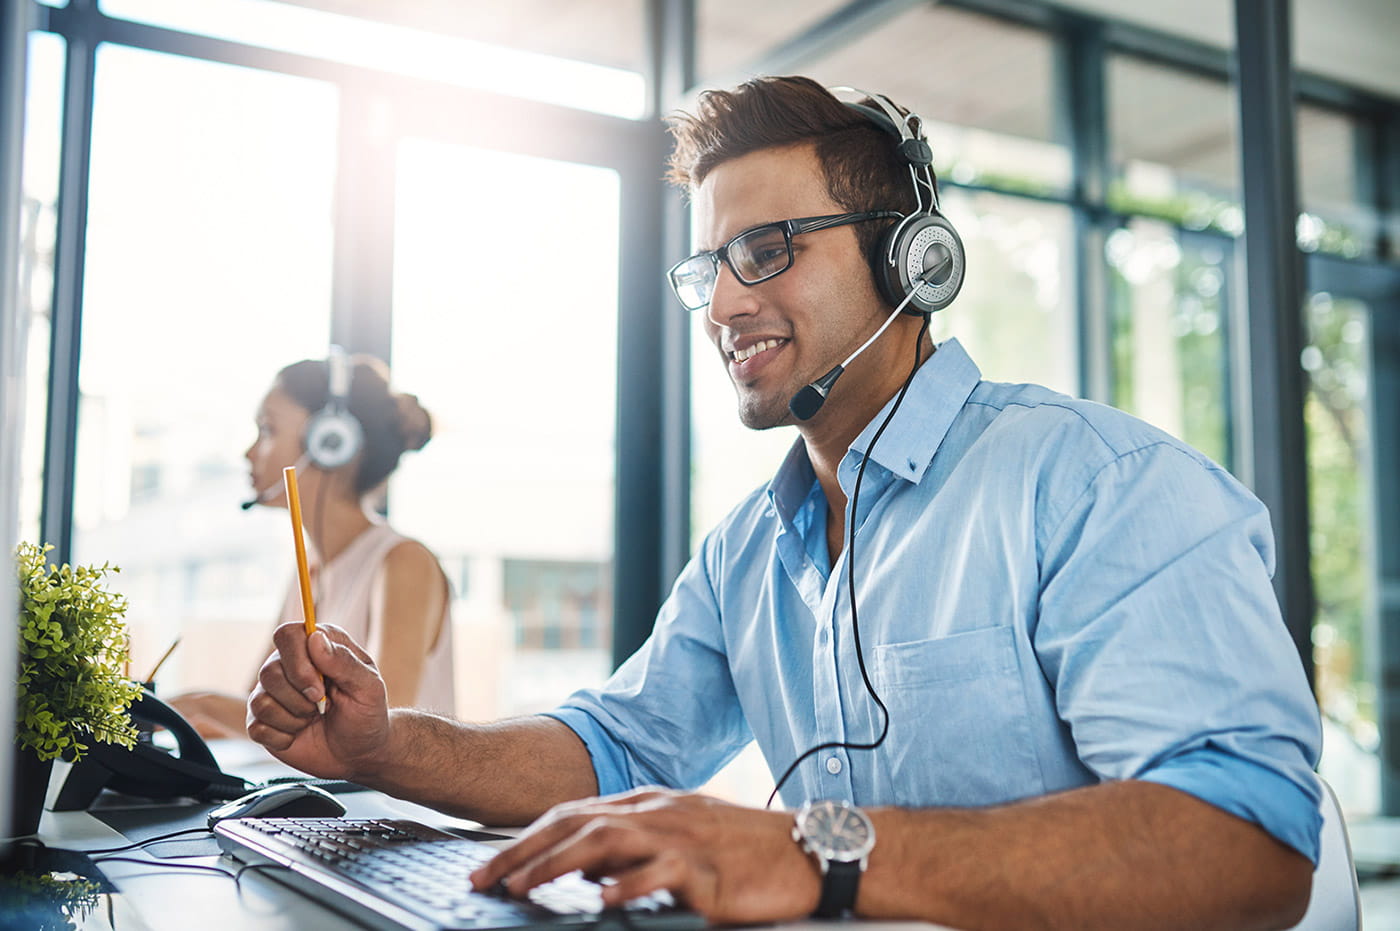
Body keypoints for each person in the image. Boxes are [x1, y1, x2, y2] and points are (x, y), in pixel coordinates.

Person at [246, 77, 1321, 931]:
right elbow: (615, 748)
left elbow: (1245, 841)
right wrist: (388, 749)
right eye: (706, 266)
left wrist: (811, 848)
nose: (719, 302)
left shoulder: (1095, 485)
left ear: (912, 259)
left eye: (764, 250)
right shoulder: (748, 551)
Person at [171, 353, 455, 738]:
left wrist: (199, 704)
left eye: (268, 430)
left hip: (387, 801)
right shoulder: (311, 570)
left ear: (329, 442)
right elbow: (259, 713)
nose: (249, 453)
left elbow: (380, 731)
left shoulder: (404, 563)